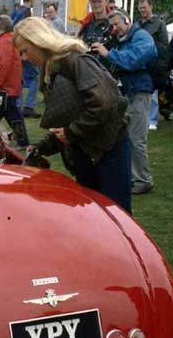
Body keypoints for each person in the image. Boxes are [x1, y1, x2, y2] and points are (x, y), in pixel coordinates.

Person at [12, 17, 131, 213]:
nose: (23, 58)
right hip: (87, 152)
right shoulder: (52, 68)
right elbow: (67, 118)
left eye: (24, 51)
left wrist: (71, 132)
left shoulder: (75, 60)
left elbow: (105, 104)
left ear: (38, 41)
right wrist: (42, 147)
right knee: (93, 214)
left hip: (108, 149)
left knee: (116, 215)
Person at [93, 9, 156, 195]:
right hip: (128, 93)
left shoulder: (142, 36)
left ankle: (143, 180)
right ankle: (133, 177)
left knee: (136, 138)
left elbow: (133, 60)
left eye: (116, 25)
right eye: (111, 26)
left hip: (138, 92)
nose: (114, 29)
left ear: (127, 20)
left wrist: (107, 53)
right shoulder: (123, 39)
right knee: (127, 137)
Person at [0, 15, 28, 147]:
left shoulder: (4, 41)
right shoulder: (7, 40)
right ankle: (21, 141)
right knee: (6, 115)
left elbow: (4, 64)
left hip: (3, 88)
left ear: (1, 27)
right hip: (7, 88)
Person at [137, 0, 168, 131]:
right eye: (140, 8)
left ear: (151, 7)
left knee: (153, 94)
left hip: (154, 63)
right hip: (139, 63)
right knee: (140, 93)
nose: (142, 10)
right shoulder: (136, 24)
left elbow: (164, 44)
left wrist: (161, 64)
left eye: (144, 7)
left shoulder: (159, 24)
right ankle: (141, 118)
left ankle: (152, 120)